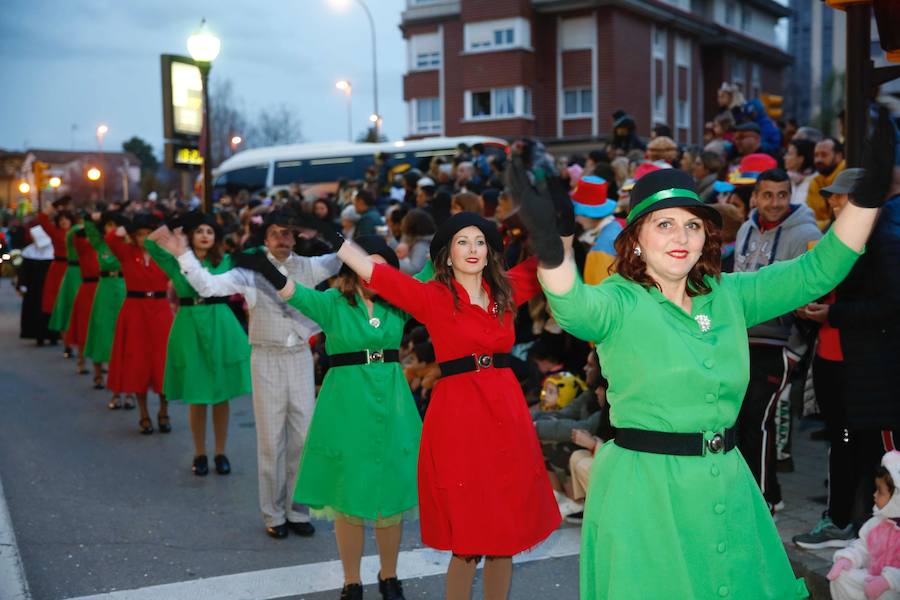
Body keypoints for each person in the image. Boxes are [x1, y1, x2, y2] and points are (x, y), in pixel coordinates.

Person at [511, 135, 883, 598]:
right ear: (636, 240)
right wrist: (552, 248)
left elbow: (817, 272)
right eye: (664, 224)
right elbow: (571, 303)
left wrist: (866, 201)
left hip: (726, 483)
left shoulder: (729, 293)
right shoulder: (617, 302)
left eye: (692, 225)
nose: (681, 237)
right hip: (644, 492)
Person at [323, 208, 561, 600]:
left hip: (506, 413)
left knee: (504, 533)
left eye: (480, 241)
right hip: (459, 417)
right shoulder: (433, 296)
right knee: (467, 539)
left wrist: (559, 221)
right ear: (447, 255)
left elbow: (551, 261)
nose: (472, 249)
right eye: (462, 242)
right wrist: (336, 241)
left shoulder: (506, 288)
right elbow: (378, 276)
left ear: (489, 251)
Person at [244, 236, 421, 600]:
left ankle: (390, 577)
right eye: (364, 264)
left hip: (393, 404)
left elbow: (434, 272)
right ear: (351, 269)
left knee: (390, 501)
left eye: (380, 266)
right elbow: (294, 292)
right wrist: (266, 269)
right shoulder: (333, 303)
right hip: (345, 407)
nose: (372, 273)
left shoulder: (402, 302)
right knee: (348, 499)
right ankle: (351, 581)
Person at [152, 210, 341, 539]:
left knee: (302, 438)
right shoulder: (251, 272)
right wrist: (183, 254)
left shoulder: (310, 267)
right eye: (275, 234)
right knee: (271, 441)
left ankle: (297, 510)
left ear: (296, 237)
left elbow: (344, 256)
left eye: (288, 233)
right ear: (265, 240)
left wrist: (320, 229)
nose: (282, 239)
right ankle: (273, 513)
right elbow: (208, 286)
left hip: (298, 357)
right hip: (265, 357)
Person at [733, 168, 822, 512]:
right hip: (743, 339)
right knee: (742, 419)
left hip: (781, 342)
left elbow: (812, 292)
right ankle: (758, 492)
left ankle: (767, 498)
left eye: (782, 195)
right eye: (767, 195)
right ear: (755, 196)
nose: (775, 203)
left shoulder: (806, 234)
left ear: (790, 196)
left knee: (759, 418)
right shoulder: (745, 228)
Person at [146, 212, 252, 477]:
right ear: (191, 236)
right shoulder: (177, 260)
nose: (205, 235)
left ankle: (220, 452)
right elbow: (150, 243)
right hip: (190, 326)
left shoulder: (225, 260)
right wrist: (173, 223)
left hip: (222, 326)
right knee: (197, 395)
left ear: (216, 238)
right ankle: (199, 453)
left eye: (210, 232)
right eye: (199, 230)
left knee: (221, 396)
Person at [106, 213, 173, 434]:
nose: (143, 239)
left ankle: (164, 410)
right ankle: (143, 413)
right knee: (138, 362)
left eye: (147, 234)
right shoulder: (127, 253)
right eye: (139, 235)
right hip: (135, 311)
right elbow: (111, 240)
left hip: (161, 310)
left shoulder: (163, 254)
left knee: (163, 362)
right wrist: (127, 225)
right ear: (133, 237)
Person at [827, 451, 900, 600]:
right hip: (872, 579)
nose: (874, 495)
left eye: (880, 491)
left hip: (893, 587)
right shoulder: (877, 523)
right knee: (842, 576)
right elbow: (862, 546)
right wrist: (847, 558)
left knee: (887, 595)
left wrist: (888, 581)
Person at [83, 212, 128, 407]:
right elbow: (90, 230)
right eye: (109, 224)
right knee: (102, 331)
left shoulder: (128, 246)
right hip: (105, 290)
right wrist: (89, 217)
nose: (112, 228)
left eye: (115, 224)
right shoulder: (100, 244)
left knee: (125, 337)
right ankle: (99, 372)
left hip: (124, 289)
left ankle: (127, 389)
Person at [48, 217, 83, 362]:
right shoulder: (70, 235)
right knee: (66, 308)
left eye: (65, 219)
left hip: (83, 274)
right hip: (71, 273)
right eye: (60, 219)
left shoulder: (88, 241)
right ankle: (67, 344)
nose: (63, 221)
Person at [16, 224, 56, 346]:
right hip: (34, 289)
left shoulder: (53, 251)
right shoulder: (29, 251)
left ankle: (53, 336)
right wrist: (22, 284)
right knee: (35, 313)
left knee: (51, 311)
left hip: (50, 288)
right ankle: (38, 336)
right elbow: (24, 271)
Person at [808, 138, 847, 230]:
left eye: (824, 155)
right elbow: (809, 218)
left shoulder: (847, 178)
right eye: (816, 155)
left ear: (839, 156)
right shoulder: (815, 182)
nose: (818, 160)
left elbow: (842, 221)